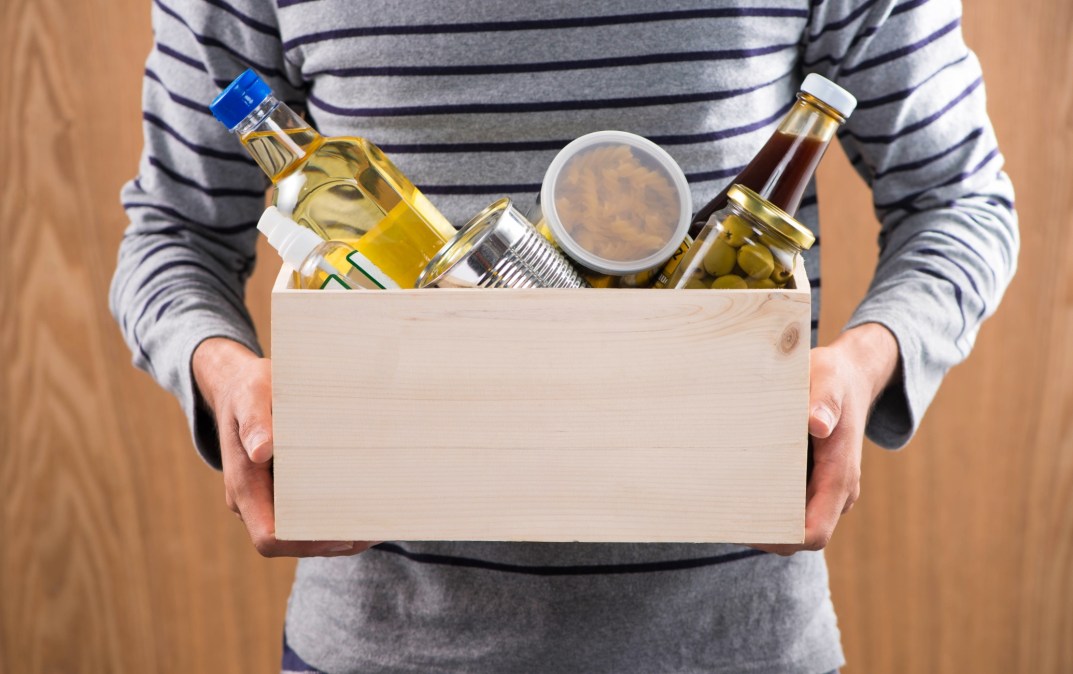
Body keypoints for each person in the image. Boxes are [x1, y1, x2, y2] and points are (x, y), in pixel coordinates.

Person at [110, 0, 1018, 672]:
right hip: (388, 641)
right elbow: (172, 232)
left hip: (729, 641)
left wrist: (861, 366)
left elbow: (961, 202)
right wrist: (224, 377)